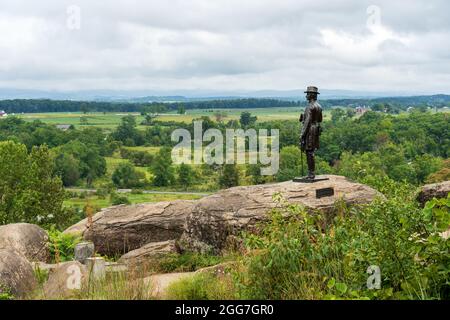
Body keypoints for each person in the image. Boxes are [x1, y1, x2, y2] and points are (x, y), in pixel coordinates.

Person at [300, 86, 323, 180]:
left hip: (310, 131)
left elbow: (307, 122)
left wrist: (302, 134)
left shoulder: (310, 106)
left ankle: (311, 173)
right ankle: (311, 172)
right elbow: (320, 119)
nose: (306, 96)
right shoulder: (319, 106)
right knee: (311, 151)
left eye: (308, 94)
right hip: (315, 129)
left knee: (309, 152)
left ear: (312, 95)